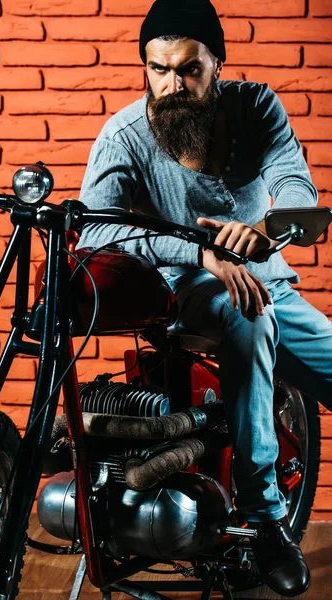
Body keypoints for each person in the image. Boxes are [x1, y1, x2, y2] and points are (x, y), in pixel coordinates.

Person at [77, 0, 332, 595]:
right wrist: (201, 254)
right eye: (158, 69)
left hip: (266, 276)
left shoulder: (256, 106)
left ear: (217, 63)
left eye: (188, 69)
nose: (172, 85)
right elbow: (95, 229)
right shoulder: (125, 135)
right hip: (186, 287)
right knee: (250, 318)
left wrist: (268, 229)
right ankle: (266, 522)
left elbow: (295, 183)